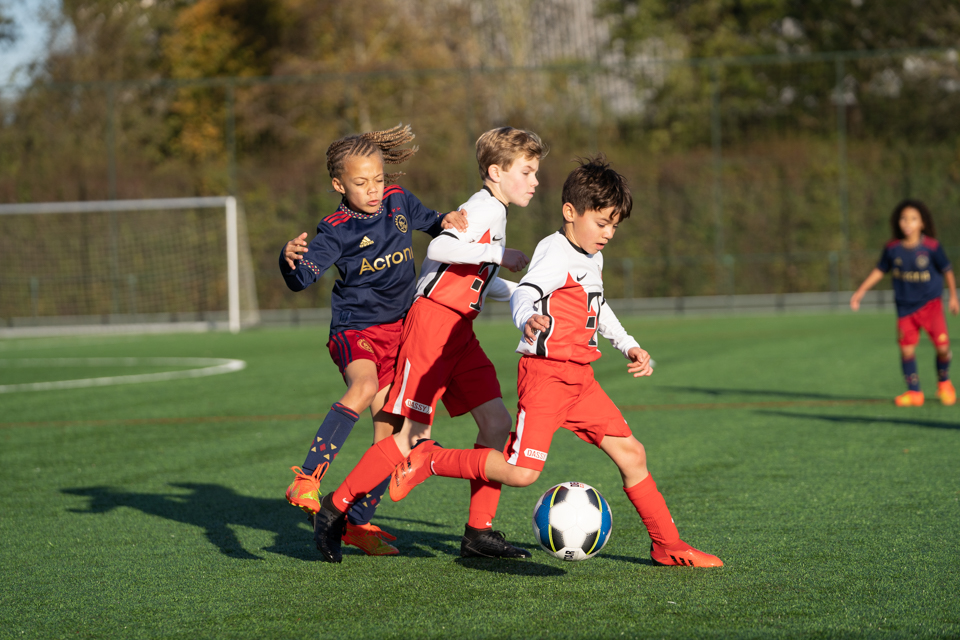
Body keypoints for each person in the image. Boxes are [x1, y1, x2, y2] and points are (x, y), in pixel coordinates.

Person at [387, 155, 724, 568]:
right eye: (602, 223)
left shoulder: (591, 257)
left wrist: (628, 344)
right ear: (570, 212)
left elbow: (597, 308)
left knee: (633, 454)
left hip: (581, 379)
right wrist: (527, 318)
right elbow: (527, 291)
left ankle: (668, 546)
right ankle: (430, 458)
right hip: (546, 377)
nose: (609, 234)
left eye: (615, 226)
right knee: (521, 472)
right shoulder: (554, 250)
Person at [310, 126, 547, 563]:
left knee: (496, 423)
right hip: (432, 327)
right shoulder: (482, 208)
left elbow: (479, 279)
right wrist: (498, 255)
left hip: (460, 331)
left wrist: (524, 298)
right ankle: (334, 510)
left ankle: (479, 532)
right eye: (528, 172)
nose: (535, 181)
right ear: (496, 172)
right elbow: (441, 245)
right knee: (411, 438)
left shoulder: (497, 210)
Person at [279, 124, 468, 556]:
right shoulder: (334, 230)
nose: (373, 190)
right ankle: (306, 479)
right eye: (361, 183)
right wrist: (288, 260)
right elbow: (302, 279)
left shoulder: (399, 202)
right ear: (338, 184)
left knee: (390, 437)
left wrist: (450, 221)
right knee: (362, 387)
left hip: (401, 334)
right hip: (356, 330)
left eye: (378, 180)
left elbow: (434, 223)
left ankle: (357, 523)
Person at [850, 199, 959, 407]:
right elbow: (880, 270)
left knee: (943, 348)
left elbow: (947, 270)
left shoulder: (932, 247)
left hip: (931, 306)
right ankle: (914, 392)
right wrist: (860, 292)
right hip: (905, 308)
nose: (907, 223)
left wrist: (953, 297)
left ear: (922, 223)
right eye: (903, 218)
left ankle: (944, 383)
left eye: (913, 219)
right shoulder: (892, 249)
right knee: (907, 350)